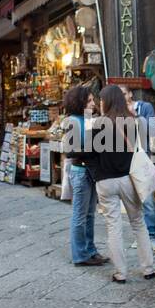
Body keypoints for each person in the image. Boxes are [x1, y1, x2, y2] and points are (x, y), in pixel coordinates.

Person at [88, 85, 155, 283]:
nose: (100, 103)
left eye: (101, 100)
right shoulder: (131, 121)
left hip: (105, 181)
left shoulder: (97, 124)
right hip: (128, 178)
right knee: (138, 222)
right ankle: (148, 268)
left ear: (106, 101)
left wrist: (96, 173)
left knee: (113, 226)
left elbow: (90, 153)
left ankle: (120, 273)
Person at [61, 86, 105, 266]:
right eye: (89, 100)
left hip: (90, 170)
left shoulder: (87, 119)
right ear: (80, 102)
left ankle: (90, 250)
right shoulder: (72, 120)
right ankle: (80, 255)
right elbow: (71, 151)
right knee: (80, 215)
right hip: (80, 171)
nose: (93, 104)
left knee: (90, 214)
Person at [122, 86, 155, 252]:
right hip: (125, 160)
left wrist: (136, 116)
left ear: (130, 93)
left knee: (147, 199)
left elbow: (153, 130)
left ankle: (151, 236)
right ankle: (139, 236)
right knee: (132, 200)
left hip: (142, 158)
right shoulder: (117, 112)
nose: (122, 97)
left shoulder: (145, 107)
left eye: (124, 93)